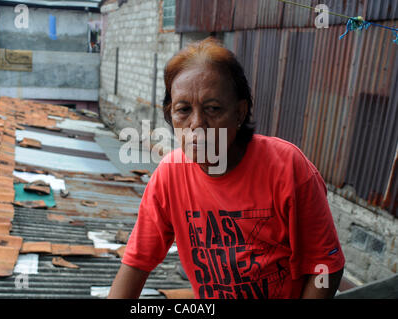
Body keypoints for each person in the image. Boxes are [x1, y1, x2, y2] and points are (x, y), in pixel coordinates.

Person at [108, 37, 345, 299]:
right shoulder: (170, 175)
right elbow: (136, 263)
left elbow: (326, 265)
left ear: (240, 113)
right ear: (170, 115)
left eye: (213, 109)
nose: (197, 124)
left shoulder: (287, 168)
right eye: (183, 110)